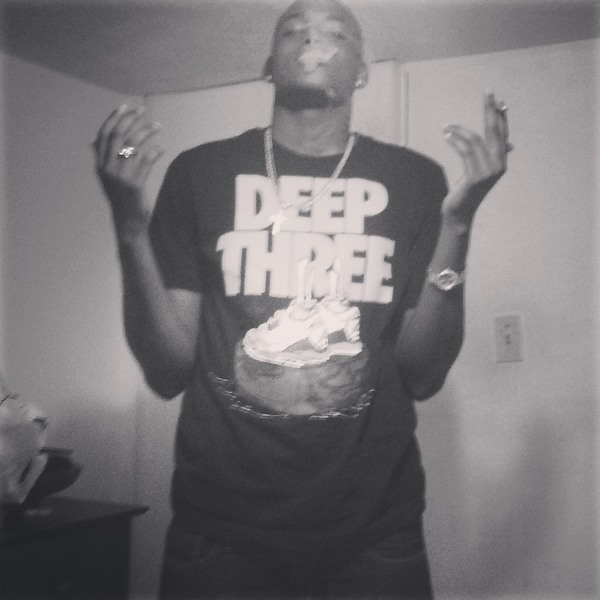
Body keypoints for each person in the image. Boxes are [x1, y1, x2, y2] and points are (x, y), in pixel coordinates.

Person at [92, 0, 510, 597]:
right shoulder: (200, 173)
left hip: (374, 533)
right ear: (269, 65)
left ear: (361, 71)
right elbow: (165, 372)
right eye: (293, 30)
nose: (313, 39)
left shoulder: (415, 180)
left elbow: (423, 375)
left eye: (336, 32)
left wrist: (459, 226)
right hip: (219, 531)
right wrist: (130, 228)